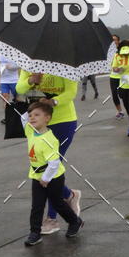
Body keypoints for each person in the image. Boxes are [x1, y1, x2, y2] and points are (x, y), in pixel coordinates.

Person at [16, 69, 81, 234]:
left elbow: (71, 92)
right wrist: (31, 80)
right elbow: (19, 89)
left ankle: (52, 219)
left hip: (63, 122)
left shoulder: (66, 66)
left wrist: (53, 102)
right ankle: (70, 195)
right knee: (43, 165)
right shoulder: (29, 64)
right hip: (38, 122)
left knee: (53, 167)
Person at [21, 100, 83, 246]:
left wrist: (46, 178)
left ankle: (75, 221)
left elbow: (54, 163)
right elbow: (22, 118)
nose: (32, 118)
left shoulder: (50, 139)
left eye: (37, 115)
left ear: (47, 118)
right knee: (37, 206)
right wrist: (27, 101)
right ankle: (35, 233)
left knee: (57, 203)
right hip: (37, 176)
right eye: (31, 115)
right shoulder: (30, 130)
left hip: (53, 177)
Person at [0, 56, 19, 123]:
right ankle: (7, 117)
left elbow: (19, 65)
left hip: (14, 80)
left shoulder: (14, 52)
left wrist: (11, 68)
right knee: (4, 97)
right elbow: (1, 65)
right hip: (3, 80)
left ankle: (19, 115)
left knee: (18, 98)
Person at [109, 35, 125, 119]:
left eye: (114, 40)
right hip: (113, 77)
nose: (113, 41)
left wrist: (120, 69)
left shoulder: (124, 50)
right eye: (112, 40)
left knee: (124, 95)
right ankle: (120, 111)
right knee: (114, 95)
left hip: (124, 76)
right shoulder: (109, 51)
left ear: (119, 41)